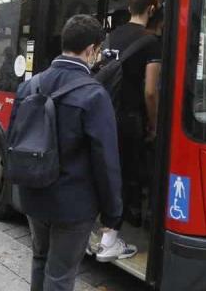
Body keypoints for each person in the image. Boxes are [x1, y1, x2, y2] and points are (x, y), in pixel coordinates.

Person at [13, 15, 131, 291]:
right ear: (91, 50)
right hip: (74, 205)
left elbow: (13, 139)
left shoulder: (30, 85)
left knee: (40, 258)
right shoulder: (94, 94)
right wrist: (113, 213)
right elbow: (106, 161)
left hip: (33, 193)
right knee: (61, 274)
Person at [105, 0, 162, 228]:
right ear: (151, 9)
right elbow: (150, 91)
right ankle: (128, 218)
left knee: (110, 166)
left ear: (129, 7)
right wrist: (154, 124)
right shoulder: (151, 42)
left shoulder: (111, 36)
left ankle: (106, 215)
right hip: (130, 117)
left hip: (105, 113)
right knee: (132, 169)